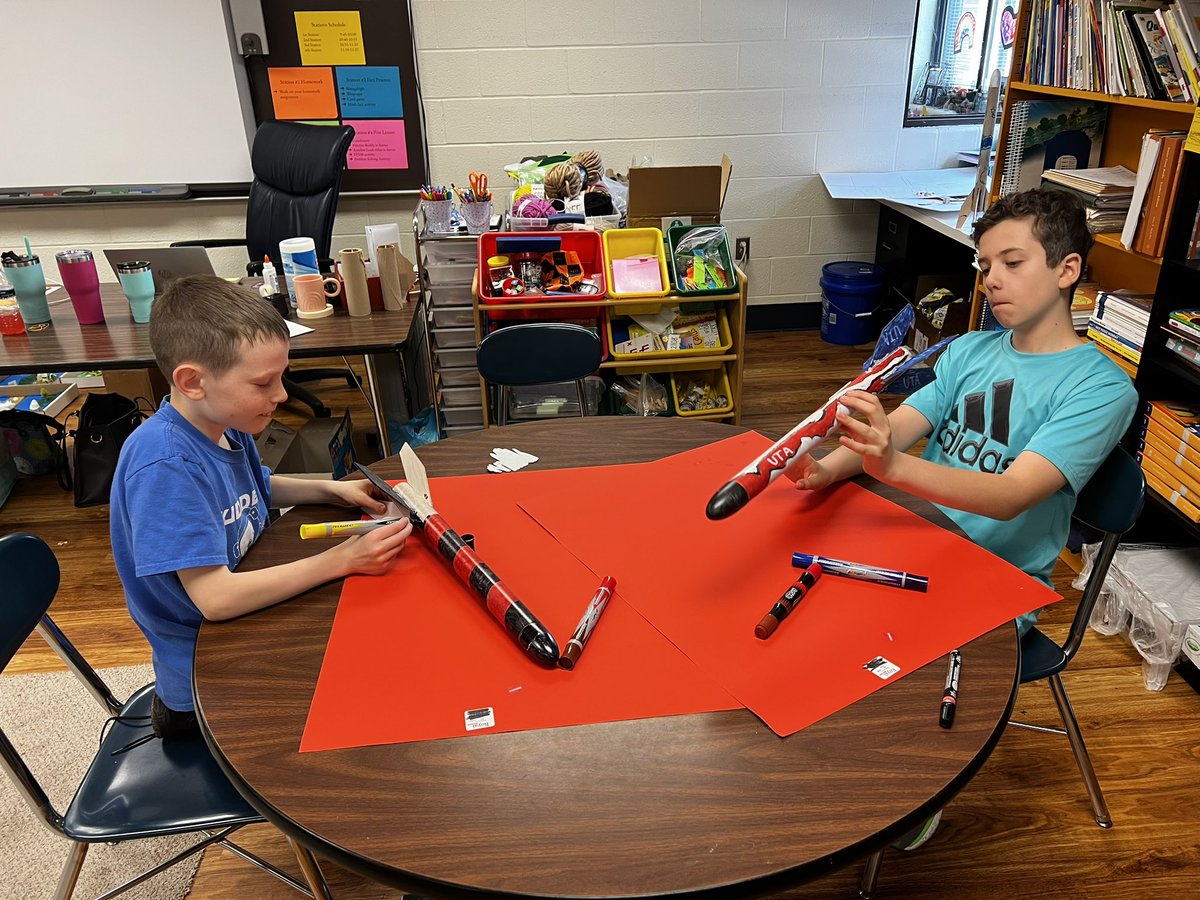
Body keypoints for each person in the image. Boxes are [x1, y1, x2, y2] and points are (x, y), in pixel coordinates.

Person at [792, 188, 1138, 847]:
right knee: (803, 605)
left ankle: (913, 783)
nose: (992, 279)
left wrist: (891, 466)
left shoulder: (1100, 388)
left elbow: (1011, 495)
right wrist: (828, 468)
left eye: (1013, 262)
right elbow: (902, 426)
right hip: (916, 546)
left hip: (992, 582)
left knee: (866, 654)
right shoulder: (970, 350)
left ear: (1066, 269)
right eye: (984, 266)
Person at [110, 276, 412, 738]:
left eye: (282, 377)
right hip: (205, 684)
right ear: (193, 382)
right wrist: (342, 560)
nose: (283, 395)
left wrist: (333, 491)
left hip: (242, 628)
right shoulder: (165, 466)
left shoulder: (224, 422)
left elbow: (253, 487)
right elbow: (216, 599)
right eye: (263, 382)